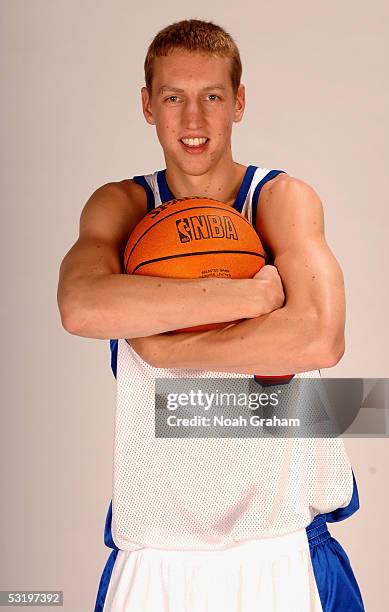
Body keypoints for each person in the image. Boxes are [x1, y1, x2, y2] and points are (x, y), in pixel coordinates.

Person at [57, 18, 365, 612]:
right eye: (173, 97)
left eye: (212, 97)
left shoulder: (280, 201)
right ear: (148, 106)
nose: (192, 120)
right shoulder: (122, 207)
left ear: (239, 103)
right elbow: (80, 305)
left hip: (280, 547)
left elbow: (321, 338)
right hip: (156, 552)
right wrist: (249, 299)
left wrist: (169, 345)